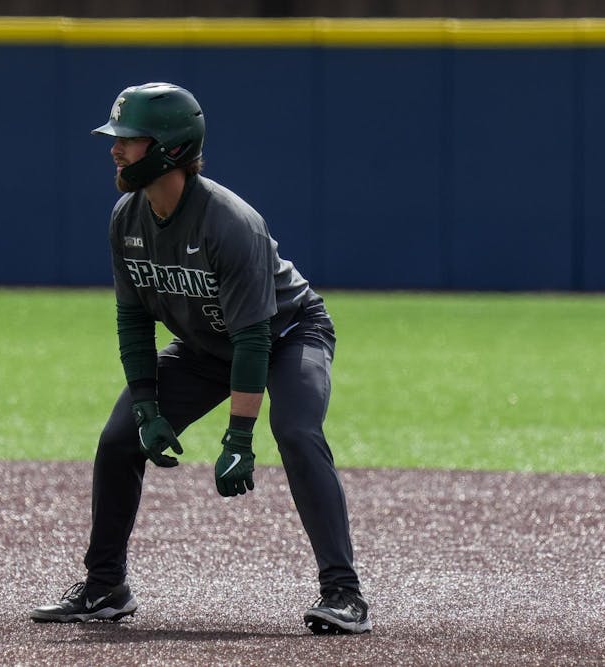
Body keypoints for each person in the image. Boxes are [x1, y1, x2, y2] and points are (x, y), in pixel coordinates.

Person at [30, 82, 371, 635]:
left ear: (170, 148)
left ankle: (344, 594)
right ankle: (105, 586)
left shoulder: (229, 223)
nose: (115, 149)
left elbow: (256, 340)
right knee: (118, 441)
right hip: (207, 345)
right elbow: (134, 320)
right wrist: (145, 405)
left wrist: (239, 437)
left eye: (129, 139)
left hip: (286, 335)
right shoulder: (127, 217)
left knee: (296, 431)